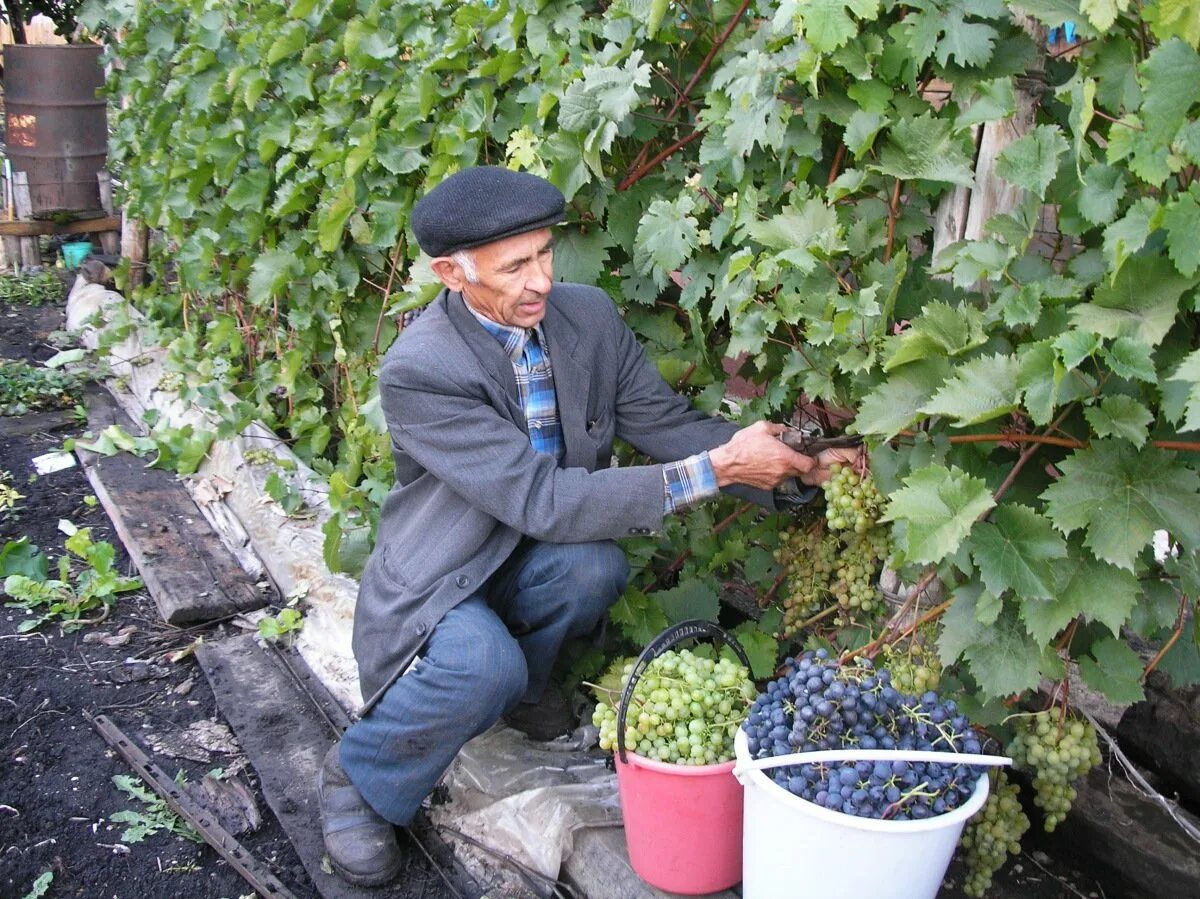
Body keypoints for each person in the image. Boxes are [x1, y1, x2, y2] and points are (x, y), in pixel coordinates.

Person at [318, 166, 861, 886]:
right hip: (447, 572)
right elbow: (542, 500)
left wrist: (791, 465)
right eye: (515, 266)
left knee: (593, 567)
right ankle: (359, 777)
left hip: (533, 555)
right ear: (451, 273)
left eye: (545, 253)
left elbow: (664, 423)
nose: (541, 279)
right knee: (482, 660)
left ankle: (528, 692)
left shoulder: (587, 317)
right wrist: (723, 469)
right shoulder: (421, 369)